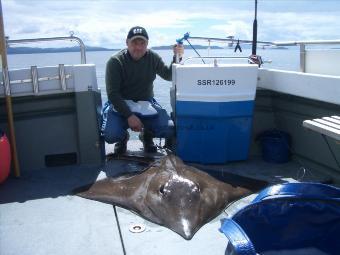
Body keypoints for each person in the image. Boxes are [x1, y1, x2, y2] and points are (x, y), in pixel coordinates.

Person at [101, 26, 184, 154]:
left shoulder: (153, 57)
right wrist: (129, 116)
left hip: (146, 103)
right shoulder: (116, 61)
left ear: (147, 44)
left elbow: (168, 75)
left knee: (169, 129)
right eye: (134, 42)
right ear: (127, 42)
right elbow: (113, 94)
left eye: (142, 43)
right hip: (121, 105)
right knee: (111, 135)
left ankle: (147, 136)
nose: (138, 47)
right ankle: (122, 138)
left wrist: (176, 57)